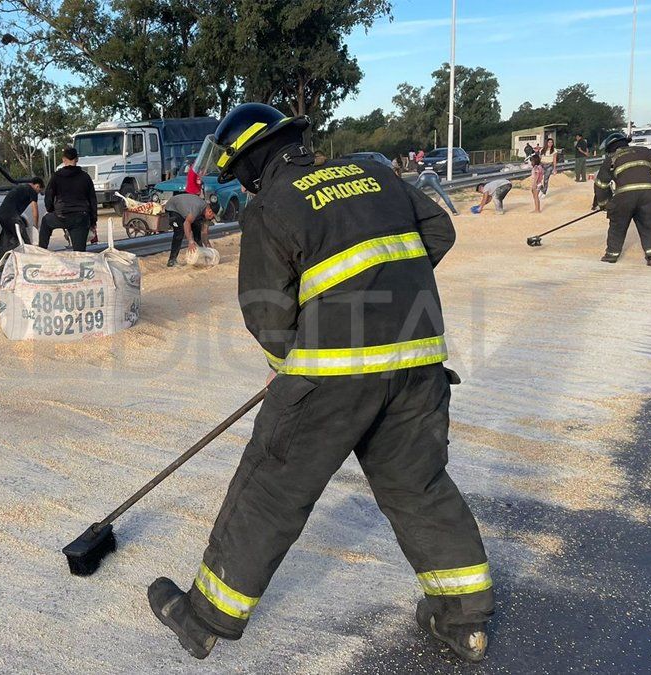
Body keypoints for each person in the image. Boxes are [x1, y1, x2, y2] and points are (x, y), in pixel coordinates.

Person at [147, 103, 493, 664]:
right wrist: (384, 291)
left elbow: (267, 313)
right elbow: (439, 230)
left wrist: (292, 360)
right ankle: (464, 622)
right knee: (419, 486)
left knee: (272, 489)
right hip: (418, 365)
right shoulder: (376, 173)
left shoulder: (272, 206)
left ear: (250, 165)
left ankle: (205, 619)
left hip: (330, 377)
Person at [593, 131, 651, 266]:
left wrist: (604, 204)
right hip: (648, 195)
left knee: (617, 225)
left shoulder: (611, 160)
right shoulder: (643, 151)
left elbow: (601, 185)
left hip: (624, 197)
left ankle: (612, 255)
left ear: (610, 149)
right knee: (649, 224)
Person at [41, 147, 98, 252]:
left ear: (63, 159)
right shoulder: (85, 177)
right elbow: (93, 200)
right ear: (77, 159)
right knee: (79, 252)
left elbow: (48, 197)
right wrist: (93, 221)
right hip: (81, 217)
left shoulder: (56, 176)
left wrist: (52, 210)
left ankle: (42, 250)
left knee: (46, 221)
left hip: (61, 216)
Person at [163, 192, 219, 267]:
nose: (212, 219)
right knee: (180, 231)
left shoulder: (205, 213)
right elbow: (186, 223)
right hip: (173, 208)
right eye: (212, 217)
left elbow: (204, 232)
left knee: (197, 229)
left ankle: (201, 255)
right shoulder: (196, 209)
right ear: (210, 211)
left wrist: (208, 248)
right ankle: (172, 261)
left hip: (186, 210)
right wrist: (191, 242)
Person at [0, 177, 43, 257]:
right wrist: (36, 226)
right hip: (11, 216)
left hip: (1, 215)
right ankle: (30, 256)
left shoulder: (21, 187)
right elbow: (35, 210)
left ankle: (5, 256)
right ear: (37, 186)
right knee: (23, 236)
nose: (38, 193)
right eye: (39, 191)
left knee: (10, 237)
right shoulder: (32, 191)